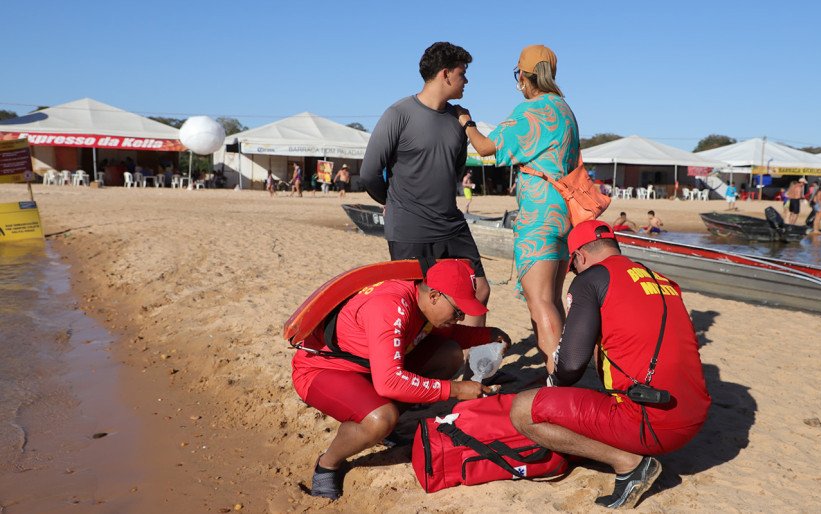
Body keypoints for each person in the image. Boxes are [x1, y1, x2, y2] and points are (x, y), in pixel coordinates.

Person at [509, 220, 711, 509]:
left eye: (574, 267)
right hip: (693, 418)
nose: (575, 273)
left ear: (579, 256)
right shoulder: (659, 278)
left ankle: (629, 464)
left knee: (523, 410)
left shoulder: (591, 278)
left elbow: (570, 366)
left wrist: (551, 387)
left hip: (652, 426)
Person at [292, 260, 511, 499]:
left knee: (449, 355)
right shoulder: (391, 305)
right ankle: (328, 464)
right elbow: (389, 382)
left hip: (369, 369)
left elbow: (450, 333)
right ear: (435, 296)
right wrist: (456, 389)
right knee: (380, 418)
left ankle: (384, 429)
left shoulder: (422, 301)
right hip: (321, 370)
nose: (459, 318)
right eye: (458, 311)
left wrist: (489, 334)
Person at [457, 44, 579, 371]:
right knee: (552, 300)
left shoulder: (531, 111)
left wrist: (466, 121)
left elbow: (485, 147)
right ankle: (562, 370)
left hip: (538, 216)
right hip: (562, 215)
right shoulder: (565, 110)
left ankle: (558, 377)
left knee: (539, 303)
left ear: (524, 77)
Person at [360, 42, 490, 327]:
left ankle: (472, 369)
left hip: (451, 224)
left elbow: (454, 173)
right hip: (410, 228)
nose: (466, 80)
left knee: (478, 289)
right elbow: (369, 173)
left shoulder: (459, 120)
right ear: (445, 74)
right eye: (462, 73)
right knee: (416, 304)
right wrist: (392, 202)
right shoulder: (399, 114)